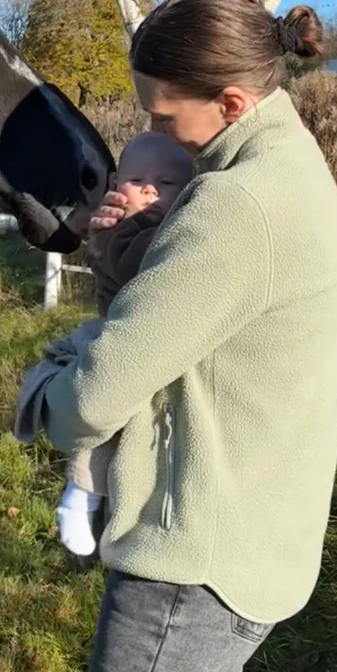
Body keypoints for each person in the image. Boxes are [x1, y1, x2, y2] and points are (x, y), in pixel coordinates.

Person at [22, 0, 337, 672]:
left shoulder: (239, 207)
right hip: (255, 550)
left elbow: (95, 396)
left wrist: (43, 393)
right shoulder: (288, 171)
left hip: (190, 564)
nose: (155, 129)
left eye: (165, 113)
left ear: (232, 104)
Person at [56, 132, 194, 557]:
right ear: (117, 184)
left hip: (156, 339)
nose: (151, 188)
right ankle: (80, 494)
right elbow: (143, 267)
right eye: (138, 180)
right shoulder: (122, 229)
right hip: (124, 336)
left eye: (167, 184)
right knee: (105, 422)